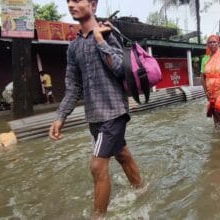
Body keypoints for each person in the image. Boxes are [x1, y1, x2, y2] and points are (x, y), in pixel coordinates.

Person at [48, 0, 143, 218]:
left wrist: (100, 39)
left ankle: (97, 216)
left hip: (114, 111)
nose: (71, 5)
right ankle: (142, 188)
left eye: (77, 0)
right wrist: (60, 116)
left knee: (97, 166)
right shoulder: (73, 48)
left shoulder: (110, 33)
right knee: (122, 155)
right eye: (68, 1)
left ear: (93, 5)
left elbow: (121, 70)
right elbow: (73, 86)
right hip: (94, 116)